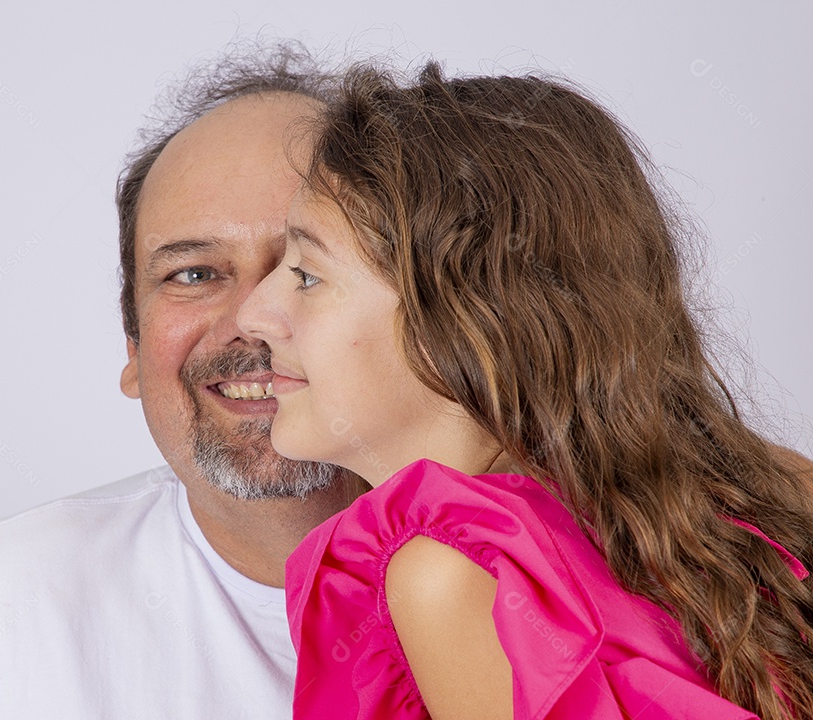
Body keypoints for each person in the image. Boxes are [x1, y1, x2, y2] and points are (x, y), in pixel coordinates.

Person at [0, 47, 366, 719]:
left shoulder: (472, 582)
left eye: (305, 270)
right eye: (193, 274)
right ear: (133, 345)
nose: (253, 320)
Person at [238, 62, 813, 719]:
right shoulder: (769, 489)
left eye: (307, 275)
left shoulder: (450, 574)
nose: (254, 315)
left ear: (467, 317)